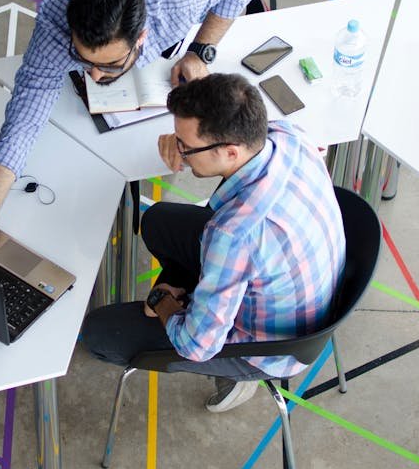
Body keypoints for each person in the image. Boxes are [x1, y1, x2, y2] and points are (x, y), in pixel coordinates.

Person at [0, 0, 262, 263]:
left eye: (109, 65)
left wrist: (201, 49)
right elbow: (20, 128)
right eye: (83, 60)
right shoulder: (55, 29)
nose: (94, 76)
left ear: (142, 38)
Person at [81, 73, 347, 412]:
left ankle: (236, 378)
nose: (179, 151)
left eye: (186, 147)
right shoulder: (287, 136)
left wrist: (163, 300)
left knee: (100, 333)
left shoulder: (233, 234)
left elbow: (196, 345)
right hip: (303, 287)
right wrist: (180, 141)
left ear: (230, 152)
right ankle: (198, 296)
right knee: (159, 221)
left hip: (268, 348)